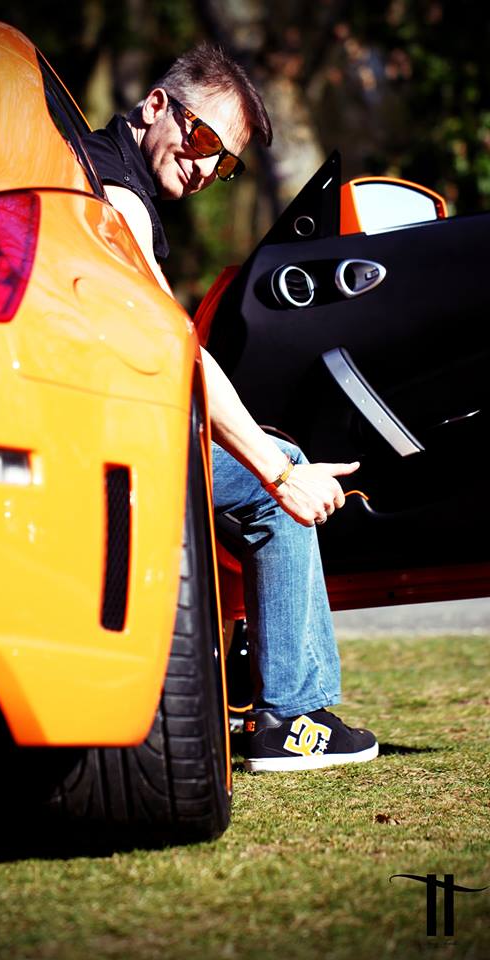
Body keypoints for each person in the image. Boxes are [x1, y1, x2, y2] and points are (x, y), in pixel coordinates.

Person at [83, 43, 378, 772]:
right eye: (202, 140)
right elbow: (179, 351)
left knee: (279, 459)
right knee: (279, 490)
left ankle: (266, 691)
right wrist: (280, 475)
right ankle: (292, 717)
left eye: (225, 163)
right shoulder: (118, 194)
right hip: (103, 441)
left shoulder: (102, 170)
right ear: (157, 106)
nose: (206, 168)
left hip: (106, 425)